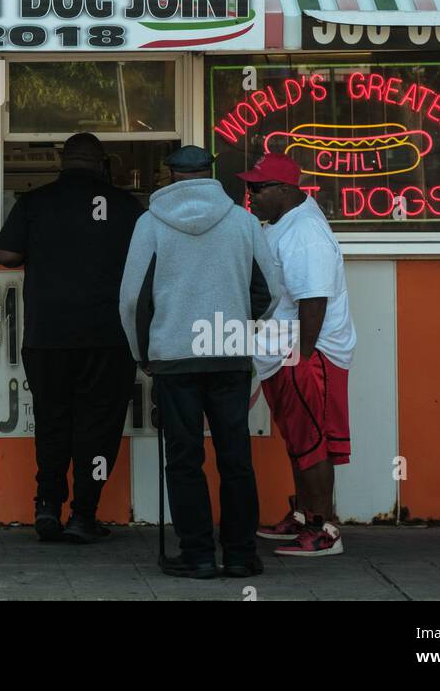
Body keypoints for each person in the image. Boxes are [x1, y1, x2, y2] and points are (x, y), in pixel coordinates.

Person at [119, 145, 281, 579]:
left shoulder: (150, 224)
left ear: (169, 174)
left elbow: (134, 298)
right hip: (228, 355)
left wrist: (143, 354)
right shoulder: (243, 223)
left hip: (173, 356)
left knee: (184, 457)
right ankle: (241, 554)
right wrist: (238, 324)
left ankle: (198, 554)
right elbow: (271, 289)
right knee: (235, 456)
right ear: (211, 173)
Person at [0, 133, 143, 544]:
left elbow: (5, 254)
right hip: (108, 338)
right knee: (99, 427)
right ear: (102, 164)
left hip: (48, 336)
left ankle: (47, 506)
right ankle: (84, 513)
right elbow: (149, 259)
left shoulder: (35, 202)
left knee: (52, 422)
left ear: (62, 161)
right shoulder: (126, 206)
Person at [238, 152, 356, 558]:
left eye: (258, 188)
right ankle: (305, 517)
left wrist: (302, 357)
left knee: (313, 443)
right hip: (284, 351)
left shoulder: (305, 233)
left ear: (285, 189)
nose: (250, 195)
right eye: (250, 187)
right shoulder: (284, 222)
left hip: (306, 352)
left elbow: (313, 301)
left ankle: (324, 530)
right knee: (299, 440)